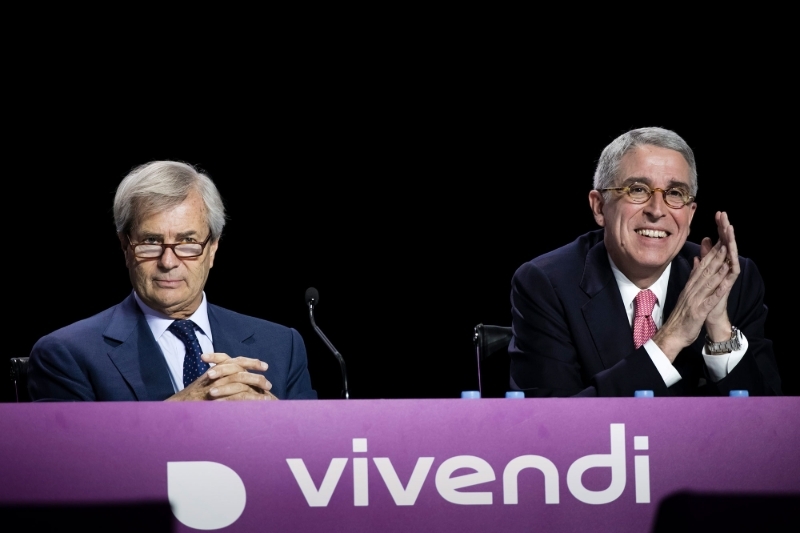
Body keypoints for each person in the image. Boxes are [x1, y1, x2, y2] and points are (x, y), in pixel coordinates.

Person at [509, 127, 781, 397]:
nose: (657, 210)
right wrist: (671, 336)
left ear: (690, 213)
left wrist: (720, 330)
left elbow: (768, 428)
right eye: (638, 189)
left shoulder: (732, 280)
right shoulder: (547, 284)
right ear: (599, 207)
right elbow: (550, 426)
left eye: (675, 193)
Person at [28, 161, 316, 401]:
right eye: (151, 242)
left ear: (212, 248)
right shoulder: (67, 354)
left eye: (188, 242)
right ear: (125, 247)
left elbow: (312, 453)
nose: (168, 262)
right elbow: (70, 463)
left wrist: (279, 421)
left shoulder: (282, 346)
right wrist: (183, 410)